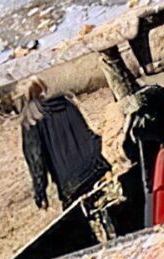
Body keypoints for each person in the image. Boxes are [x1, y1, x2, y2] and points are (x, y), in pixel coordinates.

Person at [18, 76, 107, 211]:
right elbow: (87, 134)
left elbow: (37, 162)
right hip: (96, 168)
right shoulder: (65, 103)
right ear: (43, 88)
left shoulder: (30, 122)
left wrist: (40, 194)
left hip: (70, 184)